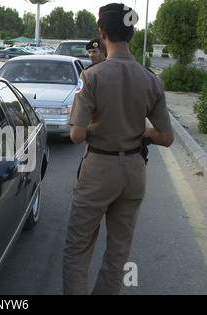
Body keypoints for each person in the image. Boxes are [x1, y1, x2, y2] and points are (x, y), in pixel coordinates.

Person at [62, 3, 174, 295]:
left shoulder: (92, 76)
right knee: (118, 253)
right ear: (133, 34)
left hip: (98, 168)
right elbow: (165, 137)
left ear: (102, 33)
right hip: (134, 171)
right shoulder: (152, 79)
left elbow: (76, 135)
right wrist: (142, 133)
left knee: (78, 249)